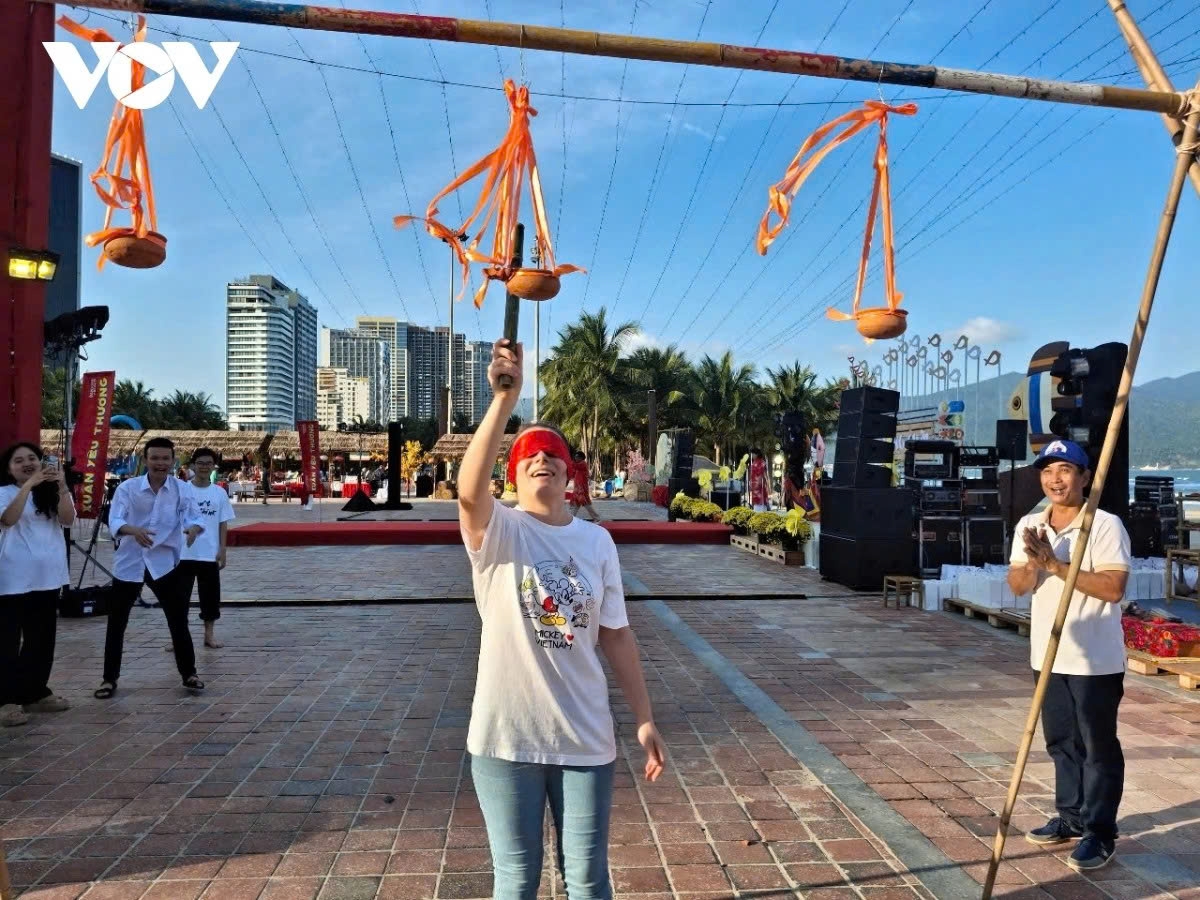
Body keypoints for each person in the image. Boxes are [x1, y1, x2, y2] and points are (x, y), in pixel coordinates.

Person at [458, 338, 666, 900]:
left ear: (570, 471)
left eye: (552, 451)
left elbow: (617, 637)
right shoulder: (499, 531)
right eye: (528, 454)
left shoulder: (596, 542)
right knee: (517, 881)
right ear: (512, 475)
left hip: (584, 739)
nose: (540, 458)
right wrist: (504, 401)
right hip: (506, 740)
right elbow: (468, 491)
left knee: (588, 879)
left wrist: (643, 718)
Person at [1007, 439, 1131, 873]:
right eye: (1047, 470)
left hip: (1094, 660)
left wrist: (1060, 566)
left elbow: (1114, 589)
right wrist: (1038, 562)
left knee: (1097, 747)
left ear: (1083, 477)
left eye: (1064, 469)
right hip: (1048, 653)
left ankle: (1099, 832)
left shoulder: (1104, 525)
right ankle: (1071, 816)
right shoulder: (1031, 523)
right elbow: (1018, 586)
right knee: (1061, 742)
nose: (1055, 479)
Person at [96, 437, 207, 699]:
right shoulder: (127, 488)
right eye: (154, 458)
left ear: (173, 460)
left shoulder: (182, 488)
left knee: (178, 620)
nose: (160, 463)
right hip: (130, 562)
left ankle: (189, 673)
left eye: (165, 458)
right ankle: (108, 679)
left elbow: (194, 516)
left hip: (164, 564)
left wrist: (193, 529)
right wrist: (133, 530)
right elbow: (115, 519)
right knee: (117, 623)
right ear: (145, 460)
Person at [0, 443, 75, 727]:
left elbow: (67, 520)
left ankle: (35, 693)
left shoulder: (51, 493)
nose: (27, 463)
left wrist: (63, 486)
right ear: (9, 468)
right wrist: (28, 485)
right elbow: (8, 520)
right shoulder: (3, 493)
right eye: (19, 460)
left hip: (48, 578)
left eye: (32, 458)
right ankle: (5, 700)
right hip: (10, 581)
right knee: (7, 643)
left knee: (41, 640)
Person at [179, 448, 235, 650]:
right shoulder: (181, 489)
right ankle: (176, 636)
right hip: (183, 553)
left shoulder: (219, 492)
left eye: (208, 463)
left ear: (213, 466)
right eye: (200, 463)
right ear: (193, 465)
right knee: (179, 598)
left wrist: (223, 549)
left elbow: (223, 523)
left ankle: (209, 635)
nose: (204, 467)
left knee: (210, 598)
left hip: (209, 553)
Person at [569, 450, 600, 522]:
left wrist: (569, 458)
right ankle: (570, 520)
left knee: (586, 504)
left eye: (577, 457)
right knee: (574, 505)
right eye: (575, 457)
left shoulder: (582, 464)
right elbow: (573, 472)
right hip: (577, 489)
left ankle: (597, 518)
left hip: (582, 489)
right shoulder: (578, 466)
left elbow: (573, 465)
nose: (575, 458)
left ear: (581, 458)